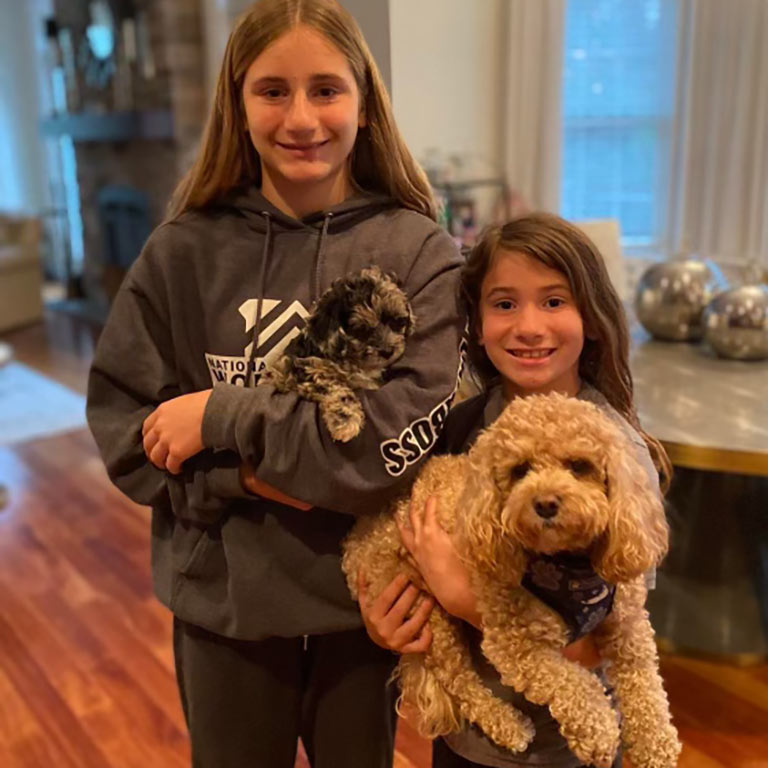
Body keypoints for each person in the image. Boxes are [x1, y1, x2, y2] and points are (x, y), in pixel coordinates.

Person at [85, 1, 465, 766]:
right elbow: (129, 432)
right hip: (223, 604)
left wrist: (220, 416)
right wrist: (247, 480)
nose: (301, 118)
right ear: (238, 101)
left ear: (364, 100)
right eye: (273, 90)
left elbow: (386, 451)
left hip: (369, 608)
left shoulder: (419, 252)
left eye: (326, 89)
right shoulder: (180, 253)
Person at [359, 212, 672, 768]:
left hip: (570, 749)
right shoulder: (456, 428)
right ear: (477, 323)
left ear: (592, 318)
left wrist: (467, 600)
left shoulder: (619, 454)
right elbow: (411, 556)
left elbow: (614, 638)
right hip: (470, 742)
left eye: (554, 301)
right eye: (504, 304)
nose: (529, 327)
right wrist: (390, 619)